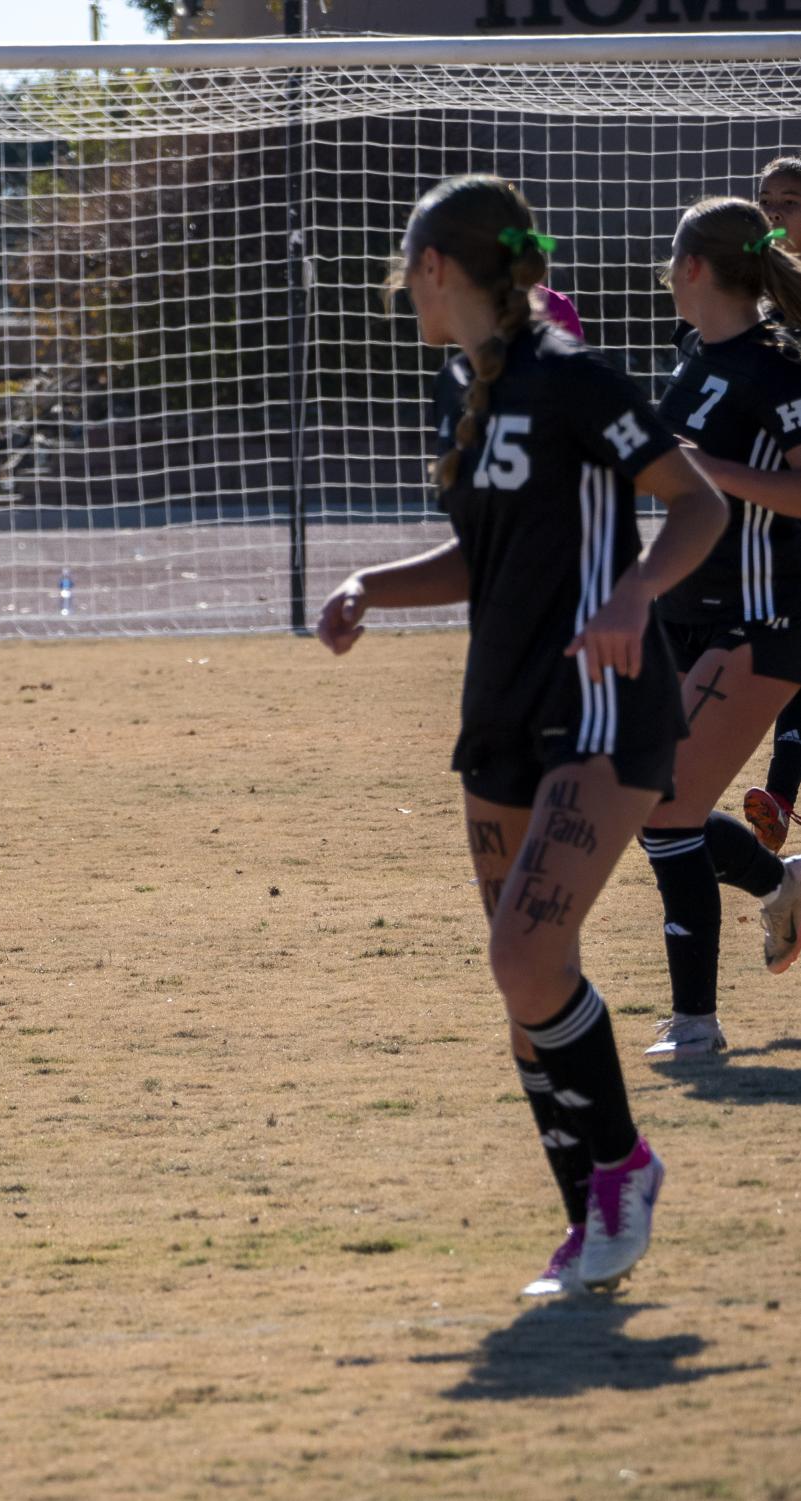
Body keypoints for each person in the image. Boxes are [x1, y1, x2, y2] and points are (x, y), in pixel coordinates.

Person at [317, 176, 726, 1297]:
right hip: (495, 712)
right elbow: (478, 559)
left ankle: (626, 1167)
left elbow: (700, 505)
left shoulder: (579, 380)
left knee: (524, 958)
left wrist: (637, 594)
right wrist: (367, 586)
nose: (405, 291)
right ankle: (591, 1226)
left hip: (598, 708)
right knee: (527, 997)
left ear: (439, 269)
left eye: (408, 272)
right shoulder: (465, 384)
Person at [641, 197, 801, 1061]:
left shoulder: (779, 371)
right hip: (681, 609)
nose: (664, 273)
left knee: (667, 811)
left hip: (759, 617)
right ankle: (781, 885)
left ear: (694, 266)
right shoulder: (691, 355)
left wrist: (711, 471)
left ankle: (694, 1025)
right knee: (647, 802)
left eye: (670, 259)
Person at [735, 157, 801, 850]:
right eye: (765, 201)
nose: (776, 212)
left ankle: (779, 794)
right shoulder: (751, 305)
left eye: (789, 200)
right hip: (772, 519)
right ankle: (778, 795)